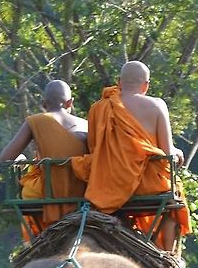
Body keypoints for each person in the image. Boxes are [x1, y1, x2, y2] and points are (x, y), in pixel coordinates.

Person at [70, 61, 190, 252]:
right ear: (146, 85)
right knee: (174, 205)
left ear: (119, 82)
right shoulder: (156, 105)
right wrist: (177, 153)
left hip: (106, 184)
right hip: (147, 184)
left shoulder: (98, 108)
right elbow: (167, 152)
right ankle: (169, 255)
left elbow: (95, 149)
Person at [0, 80, 89, 242]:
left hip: (47, 194)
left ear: (43, 104)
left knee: (29, 186)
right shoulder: (86, 125)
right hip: (83, 192)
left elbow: (6, 157)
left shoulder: (36, 121)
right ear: (70, 102)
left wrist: (23, 160)